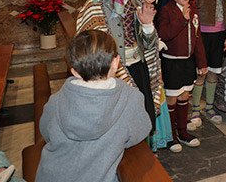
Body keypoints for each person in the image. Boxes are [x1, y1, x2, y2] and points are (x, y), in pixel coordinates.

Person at [35, 28, 151, 182]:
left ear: (74, 71)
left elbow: (46, 131)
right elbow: (140, 132)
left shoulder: (56, 100)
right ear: (116, 63)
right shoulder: (131, 99)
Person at [76, 0, 161, 150]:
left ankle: (143, 155)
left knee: (142, 119)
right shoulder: (95, 7)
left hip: (139, 69)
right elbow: (90, 53)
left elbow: (148, 46)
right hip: (112, 78)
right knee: (119, 128)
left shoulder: (137, 3)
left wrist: (148, 26)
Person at [157, 0, 207, 147]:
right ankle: (170, 135)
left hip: (188, 62)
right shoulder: (166, 11)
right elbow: (164, 34)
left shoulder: (193, 10)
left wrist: (202, 63)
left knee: (185, 95)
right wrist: (182, 20)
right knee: (171, 98)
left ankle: (182, 131)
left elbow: (197, 38)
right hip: (172, 63)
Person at [136, 0, 177, 152]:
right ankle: (146, 148)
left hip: (153, 60)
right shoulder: (136, 9)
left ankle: (156, 140)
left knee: (157, 95)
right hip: (142, 62)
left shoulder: (153, 6)